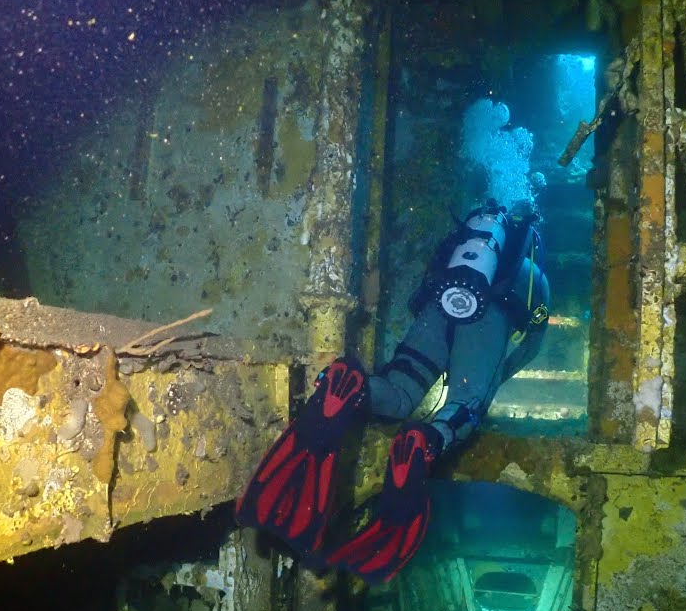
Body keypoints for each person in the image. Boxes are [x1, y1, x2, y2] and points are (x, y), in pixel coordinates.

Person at [235, 199, 551, 583]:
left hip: (439, 306)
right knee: (464, 406)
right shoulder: (533, 275)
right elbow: (530, 347)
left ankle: (352, 386)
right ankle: (425, 440)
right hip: (488, 318)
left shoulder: (463, 248)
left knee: (400, 393)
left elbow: (426, 285)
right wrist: (493, 378)